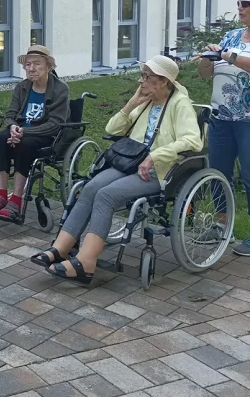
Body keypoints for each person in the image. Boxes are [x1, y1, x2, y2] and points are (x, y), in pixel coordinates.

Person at [30, 55, 201, 284]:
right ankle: (60, 249)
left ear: (163, 81)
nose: (141, 81)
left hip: (158, 170)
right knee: (90, 188)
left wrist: (155, 156)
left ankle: (86, 262)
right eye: (142, 76)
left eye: (146, 77)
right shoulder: (146, 101)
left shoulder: (180, 104)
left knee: (106, 195)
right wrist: (132, 103)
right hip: (130, 162)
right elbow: (112, 129)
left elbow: (192, 140)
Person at [0, 46, 70, 222]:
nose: (31, 68)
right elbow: (10, 115)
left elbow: (55, 124)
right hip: (20, 131)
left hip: (44, 135)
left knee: (25, 144)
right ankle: (1, 196)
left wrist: (24, 131)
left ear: (48, 66)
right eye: (28, 64)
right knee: (1, 139)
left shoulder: (60, 89)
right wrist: (13, 127)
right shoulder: (22, 87)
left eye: (37, 64)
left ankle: (16, 201)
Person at [197, 0, 250, 255]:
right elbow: (206, 74)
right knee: (219, 173)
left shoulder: (230, 47)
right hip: (221, 117)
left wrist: (227, 56)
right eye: (239, 2)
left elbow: (234, 59)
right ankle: (221, 226)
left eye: (246, 3)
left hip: (248, 121)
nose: (240, 7)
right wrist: (207, 59)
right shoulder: (230, 36)